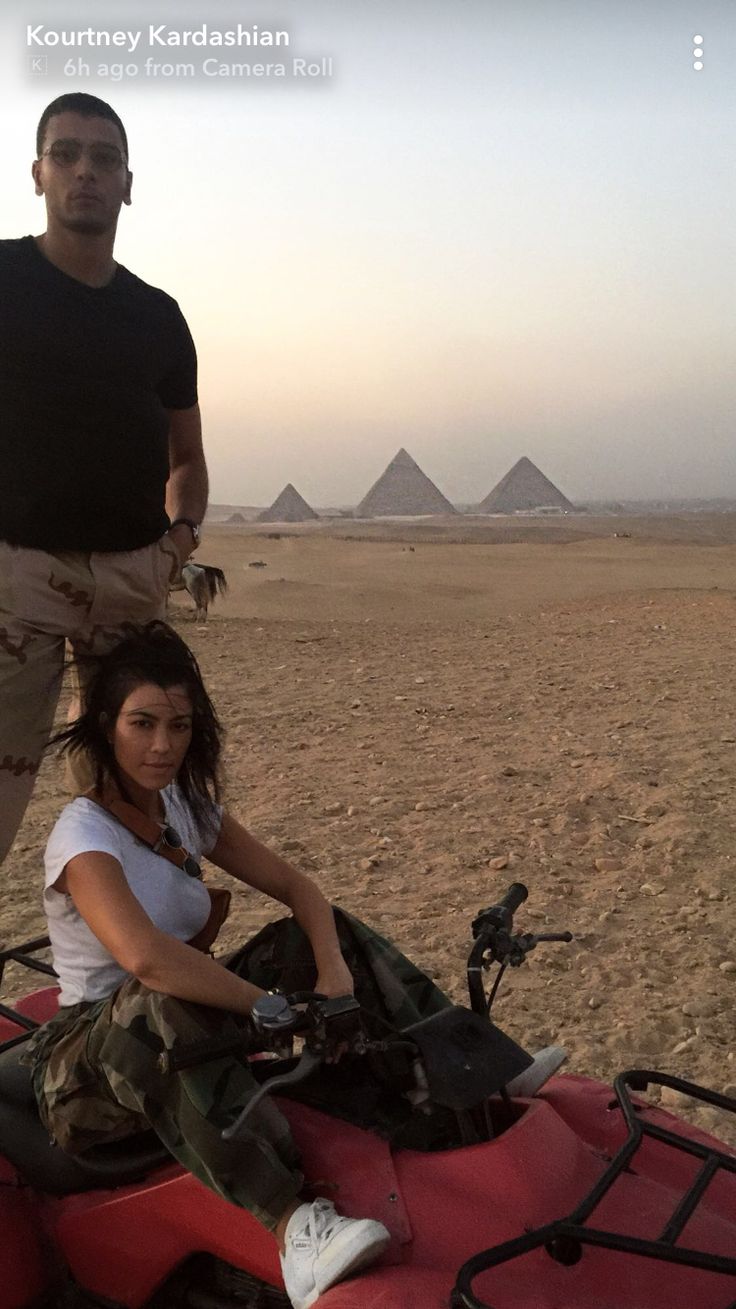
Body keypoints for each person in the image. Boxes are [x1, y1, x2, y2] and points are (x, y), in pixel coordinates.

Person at [0, 92, 207, 868]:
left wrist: (177, 545)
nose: (85, 170)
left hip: (129, 584)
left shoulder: (158, 316)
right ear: (37, 172)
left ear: (128, 182)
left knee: (135, 802)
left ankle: (120, 976)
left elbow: (186, 455)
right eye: (67, 154)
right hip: (14, 582)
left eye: (105, 158)